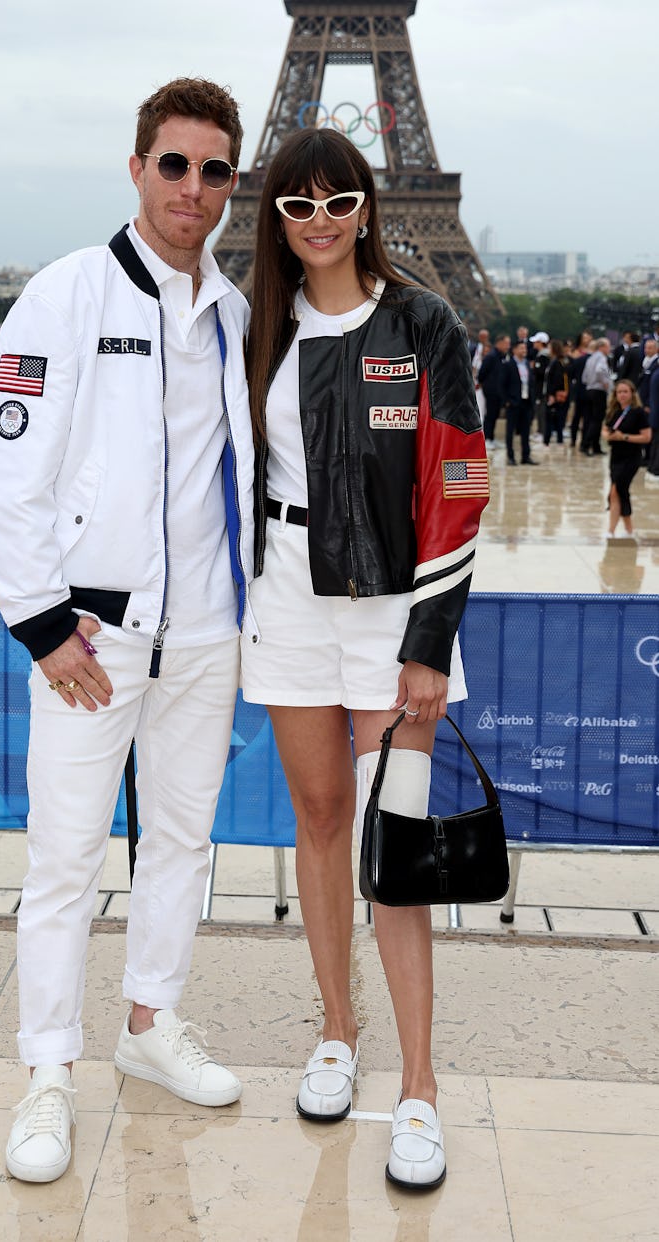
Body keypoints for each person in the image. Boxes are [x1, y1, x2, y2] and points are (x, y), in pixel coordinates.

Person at [0, 77, 254, 1185]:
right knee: (66, 861)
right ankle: (48, 1069)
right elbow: (8, 468)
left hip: (206, 635)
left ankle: (151, 1025)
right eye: (174, 164)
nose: (193, 188)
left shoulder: (233, 312)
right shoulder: (64, 295)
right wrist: (43, 628)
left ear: (233, 184)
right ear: (137, 167)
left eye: (214, 170)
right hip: (91, 639)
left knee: (183, 843)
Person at [242, 126, 489, 1191]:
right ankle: (337, 1034)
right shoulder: (256, 328)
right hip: (289, 596)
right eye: (298, 206)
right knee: (322, 821)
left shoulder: (424, 321)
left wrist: (430, 644)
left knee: (396, 847)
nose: (321, 222)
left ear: (368, 204)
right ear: (278, 219)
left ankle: (421, 1085)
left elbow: (463, 481)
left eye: (338, 200)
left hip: (395, 613)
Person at [601, 379, 651, 538]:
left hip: (631, 457)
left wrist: (624, 437)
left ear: (632, 394)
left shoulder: (639, 412)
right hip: (616, 456)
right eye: (619, 392)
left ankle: (619, 529)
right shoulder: (613, 411)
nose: (622, 395)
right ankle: (620, 530)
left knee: (617, 490)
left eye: (625, 392)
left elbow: (646, 437)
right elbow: (604, 429)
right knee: (617, 492)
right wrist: (608, 435)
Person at [501, 339, 537, 465]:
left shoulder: (527, 364)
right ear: (515, 350)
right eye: (521, 348)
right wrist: (506, 401)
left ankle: (525, 456)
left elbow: (531, 383)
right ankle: (511, 457)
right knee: (510, 431)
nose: (524, 350)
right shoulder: (508, 364)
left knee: (526, 431)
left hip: (526, 402)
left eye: (525, 348)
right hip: (513, 402)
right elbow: (502, 384)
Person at [582, 338, 613, 456]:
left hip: (589, 389)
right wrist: (605, 383)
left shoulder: (590, 358)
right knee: (597, 419)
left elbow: (584, 377)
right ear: (602, 347)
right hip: (598, 391)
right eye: (608, 346)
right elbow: (600, 370)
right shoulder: (601, 358)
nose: (609, 349)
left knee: (591, 419)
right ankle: (586, 444)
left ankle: (596, 446)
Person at [478, 333, 510, 447]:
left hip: (499, 391)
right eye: (506, 343)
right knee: (490, 415)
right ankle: (486, 439)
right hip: (491, 390)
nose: (508, 346)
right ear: (499, 343)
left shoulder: (503, 356)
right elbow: (481, 374)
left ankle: (492, 437)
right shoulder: (491, 356)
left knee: (495, 414)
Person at [543, 340, 570, 445]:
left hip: (554, 395)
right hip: (553, 393)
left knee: (551, 417)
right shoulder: (556, 361)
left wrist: (552, 394)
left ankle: (548, 440)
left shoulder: (557, 362)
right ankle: (558, 438)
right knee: (556, 417)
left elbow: (556, 380)